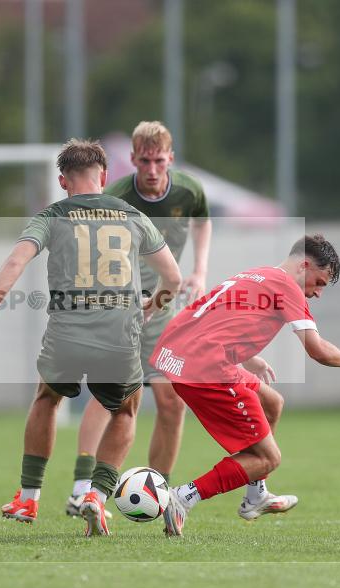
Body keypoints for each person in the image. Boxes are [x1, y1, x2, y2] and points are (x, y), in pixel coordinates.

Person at [0, 139, 181, 536]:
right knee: (126, 410)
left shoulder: (52, 215)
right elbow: (173, 278)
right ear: (104, 176)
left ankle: (28, 498)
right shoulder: (132, 215)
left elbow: (16, 261)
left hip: (66, 333)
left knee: (47, 399)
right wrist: (154, 304)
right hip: (118, 333)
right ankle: (96, 495)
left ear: (63, 181)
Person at [150, 234, 340, 537]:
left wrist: (248, 357)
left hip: (179, 355)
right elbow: (317, 350)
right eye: (318, 283)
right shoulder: (286, 288)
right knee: (269, 458)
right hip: (206, 368)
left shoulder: (256, 274)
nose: (317, 293)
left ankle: (256, 496)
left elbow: (218, 316)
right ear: (304, 265)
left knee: (272, 402)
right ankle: (182, 498)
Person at [65, 121, 212, 517]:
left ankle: (159, 493)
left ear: (171, 159)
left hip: (162, 312)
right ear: (132, 160)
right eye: (144, 161)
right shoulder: (114, 196)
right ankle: (82, 489)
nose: (151, 168)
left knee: (172, 401)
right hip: (119, 308)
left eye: (159, 161)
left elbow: (202, 221)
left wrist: (199, 270)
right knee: (113, 398)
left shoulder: (189, 190)